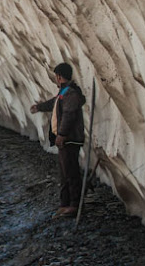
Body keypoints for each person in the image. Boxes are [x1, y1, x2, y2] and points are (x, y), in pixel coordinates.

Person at [30, 62, 86, 218]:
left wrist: (61, 134)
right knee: (64, 172)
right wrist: (39, 107)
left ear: (60, 76)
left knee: (71, 172)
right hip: (66, 139)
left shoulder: (71, 94)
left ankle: (74, 204)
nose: (55, 78)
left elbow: (68, 115)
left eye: (56, 76)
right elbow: (53, 104)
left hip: (70, 139)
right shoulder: (64, 92)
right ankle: (65, 204)